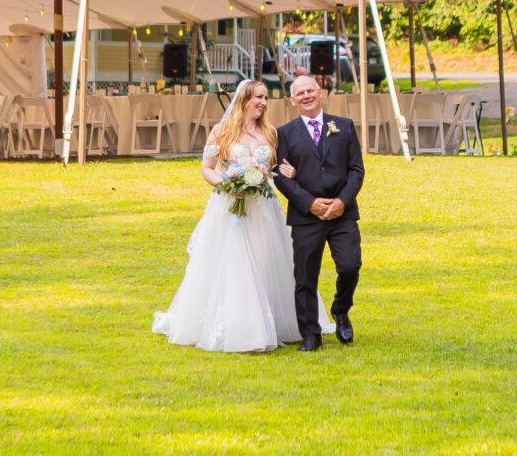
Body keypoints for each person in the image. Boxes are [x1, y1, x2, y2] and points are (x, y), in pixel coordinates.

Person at [153, 80, 333, 353]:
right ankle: (243, 327)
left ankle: (271, 321)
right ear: (244, 99)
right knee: (234, 263)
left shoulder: (271, 133)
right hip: (230, 206)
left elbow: (278, 168)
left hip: (263, 206)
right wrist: (227, 185)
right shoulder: (221, 131)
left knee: (264, 260)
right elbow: (207, 168)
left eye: (265, 98)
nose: (262, 102)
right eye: (258, 97)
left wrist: (288, 174)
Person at [274, 75, 364, 352]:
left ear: (320, 92)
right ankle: (310, 333)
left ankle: (341, 310)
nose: (306, 96)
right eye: (299, 93)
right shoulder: (284, 134)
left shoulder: (345, 127)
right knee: (305, 276)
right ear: (292, 101)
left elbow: (356, 170)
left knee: (350, 266)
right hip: (306, 216)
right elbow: (280, 175)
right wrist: (309, 202)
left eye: (310, 90)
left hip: (342, 214)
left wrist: (342, 202)